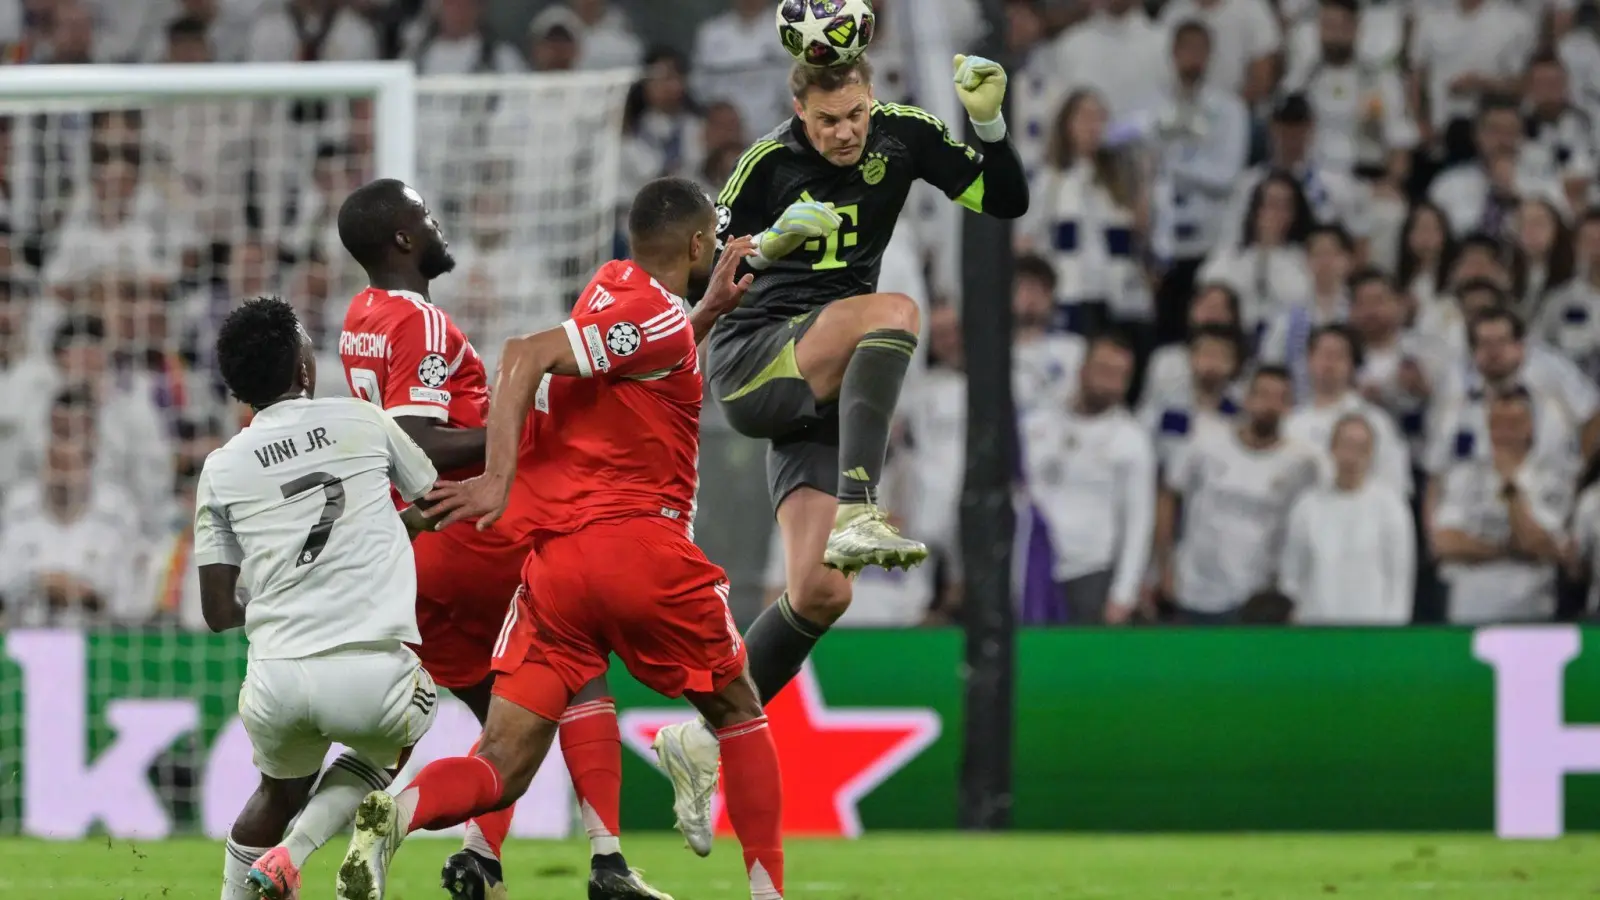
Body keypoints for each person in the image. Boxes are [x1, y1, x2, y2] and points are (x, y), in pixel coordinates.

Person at [334, 179, 780, 900]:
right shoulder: (426, 320)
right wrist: (499, 478)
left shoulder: (608, 287)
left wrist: (708, 314)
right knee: (738, 711)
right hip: (632, 546)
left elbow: (644, 360)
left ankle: (402, 816)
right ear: (698, 245)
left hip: (551, 567)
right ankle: (761, 892)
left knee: (505, 757)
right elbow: (525, 352)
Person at [649, 53, 1028, 851]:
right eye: (828, 121)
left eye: (855, 114)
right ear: (798, 110)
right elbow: (685, 287)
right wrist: (764, 249)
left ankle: (699, 737)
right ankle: (861, 508)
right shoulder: (765, 164)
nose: (846, 132)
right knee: (893, 308)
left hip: (826, 383)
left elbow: (1006, 199)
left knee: (821, 593)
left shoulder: (906, 138)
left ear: (870, 100)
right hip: (755, 361)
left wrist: (989, 124)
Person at [196, 297, 441, 900]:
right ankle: (295, 852)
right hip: (374, 676)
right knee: (416, 712)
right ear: (305, 369)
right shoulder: (362, 419)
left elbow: (217, 612)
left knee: (274, 794)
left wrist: (280, 588)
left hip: (276, 680)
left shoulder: (221, 467)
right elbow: (431, 500)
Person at [1154, 366, 1321, 622]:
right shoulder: (1205, 441)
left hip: (1253, 599)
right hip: (1193, 589)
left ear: (1289, 406)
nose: (1270, 405)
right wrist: (1163, 565)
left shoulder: (1301, 463)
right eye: (1263, 395)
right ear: (1247, 398)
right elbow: (1169, 495)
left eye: (1280, 398)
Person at [1278, 414, 1415, 623]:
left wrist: (1392, 634)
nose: (1353, 456)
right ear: (1332, 449)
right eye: (1346, 445)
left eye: (1362, 448)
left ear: (1372, 453)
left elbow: (1399, 580)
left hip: (1373, 630)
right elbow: (1291, 575)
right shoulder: (1307, 506)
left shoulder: (1391, 507)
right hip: (1315, 627)